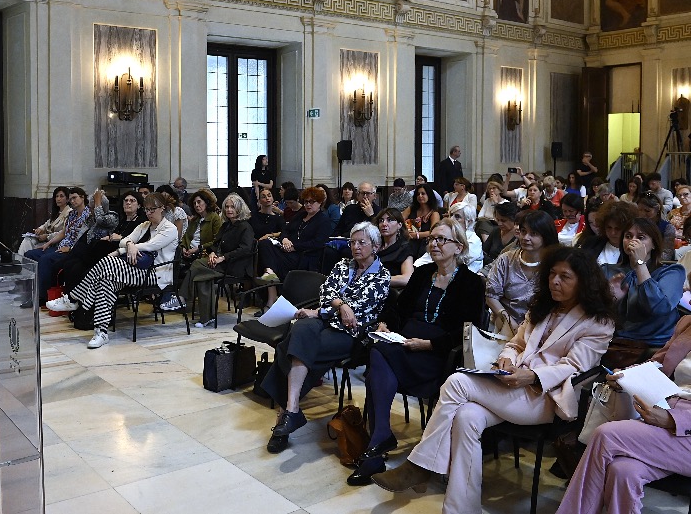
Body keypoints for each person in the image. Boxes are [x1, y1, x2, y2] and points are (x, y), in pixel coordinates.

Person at [372, 247, 616, 511]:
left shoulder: (597, 322)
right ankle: (460, 509)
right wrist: (507, 359)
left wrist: (532, 375)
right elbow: (515, 343)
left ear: (584, 281)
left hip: (544, 398)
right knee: (467, 417)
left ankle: (419, 466)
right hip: (510, 386)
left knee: (457, 382)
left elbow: (575, 367)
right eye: (552, 274)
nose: (555, 281)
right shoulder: (543, 306)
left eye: (565, 277)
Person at [348, 219, 485, 485]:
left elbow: (468, 331)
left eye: (441, 239)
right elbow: (399, 309)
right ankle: (379, 440)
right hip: (403, 342)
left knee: (378, 356)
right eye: (431, 238)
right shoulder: (423, 273)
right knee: (379, 349)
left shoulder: (471, 282)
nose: (434, 244)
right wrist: (386, 323)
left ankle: (377, 447)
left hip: (437, 353)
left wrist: (430, 345)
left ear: (458, 247)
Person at [263, 222, 391, 453]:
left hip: (351, 335)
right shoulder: (343, 264)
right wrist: (340, 306)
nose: (356, 247)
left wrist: (325, 310)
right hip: (324, 322)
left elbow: (359, 311)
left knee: (291, 346)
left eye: (362, 242)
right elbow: (326, 292)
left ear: (376, 246)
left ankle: (284, 418)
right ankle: (291, 409)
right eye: (352, 242)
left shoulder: (381, 276)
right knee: (301, 330)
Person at [556, 315, 691, 514]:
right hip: (668, 414)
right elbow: (658, 364)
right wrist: (626, 375)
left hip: (682, 425)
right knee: (623, 471)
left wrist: (673, 420)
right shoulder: (687, 322)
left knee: (607, 435)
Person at [47, 192, 178, 349]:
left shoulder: (170, 229)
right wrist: (128, 245)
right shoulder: (143, 226)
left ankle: (73, 298)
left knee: (108, 261)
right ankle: (100, 332)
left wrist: (128, 246)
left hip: (156, 274)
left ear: (162, 209)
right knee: (105, 282)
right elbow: (123, 240)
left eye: (152, 209)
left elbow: (151, 246)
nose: (149, 213)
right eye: (147, 209)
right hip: (137, 270)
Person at [603, 217, 685, 368]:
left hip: (654, 348)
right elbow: (591, 314)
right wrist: (610, 299)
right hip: (613, 345)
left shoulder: (671, 272)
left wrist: (640, 264)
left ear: (654, 244)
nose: (633, 241)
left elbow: (659, 308)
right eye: (628, 236)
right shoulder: (608, 270)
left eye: (641, 237)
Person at [177, 193, 255, 325]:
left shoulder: (245, 227)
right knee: (202, 278)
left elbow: (245, 249)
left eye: (233, 207)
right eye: (227, 207)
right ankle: (207, 318)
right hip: (221, 263)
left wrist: (223, 257)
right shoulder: (226, 225)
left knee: (197, 263)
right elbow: (215, 244)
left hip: (236, 266)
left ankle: (181, 297)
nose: (229, 210)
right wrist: (212, 254)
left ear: (240, 209)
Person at [257, 186, 333, 311]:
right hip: (287, 250)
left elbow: (318, 243)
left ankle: (272, 298)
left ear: (320, 203)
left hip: (303, 256)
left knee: (272, 260)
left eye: (312, 202)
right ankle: (270, 273)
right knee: (264, 243)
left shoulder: (323, 220)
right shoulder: (300, 215)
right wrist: (285, 239)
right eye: (306, 202)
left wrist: (294, 247)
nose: (308, 205)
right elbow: (285, 230)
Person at [486, 210, 558, 334]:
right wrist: (510, 322)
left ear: (546, 236)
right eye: (523, 231)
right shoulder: (506, 259)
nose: (525, 238)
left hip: (541, 328)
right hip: (505, 325)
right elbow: (491, 296)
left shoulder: (555, 264)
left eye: (533, 233)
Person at [61, 190, 144, 293]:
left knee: (82, 263)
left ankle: (76, 299)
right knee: (72, 265)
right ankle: (70, 298)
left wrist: (120, 237)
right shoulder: (122, 221)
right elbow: (111, 235)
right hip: (104, 252)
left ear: (139, 205)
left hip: (119, 256)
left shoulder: (139, 221)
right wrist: (110, 237)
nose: (128, 203)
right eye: (126, 200)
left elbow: (136, 241)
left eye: (132, 201)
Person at [24, 187, 90, 303]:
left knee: (45, 260)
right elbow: (63, 232)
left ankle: (43, 297)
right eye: (71, 199)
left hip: (73, 250)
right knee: (30, 254)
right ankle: (28, 291)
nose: (72, 201)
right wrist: (48, 244)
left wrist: (70, 248)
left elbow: (87, 238)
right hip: (61, 246)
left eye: (74, 198)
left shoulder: (89, 215)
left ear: (82, 197)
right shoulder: (72, 214)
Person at [17, 186, 70, 254]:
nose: (58, 199)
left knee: (31, 247)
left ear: (67, 199)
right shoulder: (56, 213)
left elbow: (63, 232)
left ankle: (25, 260)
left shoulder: (69, 213)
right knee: (27, 239)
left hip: (55, 242)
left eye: (61, 196)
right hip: (45, 238)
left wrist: (47, 237)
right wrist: (40, 229)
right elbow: (46, 224)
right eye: (57, 196)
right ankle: (20, 260)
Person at [179, 189, 222, 263]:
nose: (196, 205)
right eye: (194, 203)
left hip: (203, 252)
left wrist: (197, 249)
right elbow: (186, 237)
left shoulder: (214, 218)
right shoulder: (195, 219)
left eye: (199, 202)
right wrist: (183, 248)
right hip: (189, 250)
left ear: (206, 202)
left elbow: (216, 240)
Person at [374, 208, 413, 287]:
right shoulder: (374, 245)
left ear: (399, 225)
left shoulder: (404, 248)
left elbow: (407, 278)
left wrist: (376, 280)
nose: (384, 224)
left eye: (390, 220)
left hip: (387, 290)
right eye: (381, 220)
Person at [402, 184, 441, 259]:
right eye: (418, 194)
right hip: (408, 240)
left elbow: (434, 232)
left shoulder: (434, 213)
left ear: (429, 195)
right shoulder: (411, 209)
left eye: (423, 194)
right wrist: (406, 231)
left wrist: (416, 235)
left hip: (424, 244)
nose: (420, 196)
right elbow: (399, 221)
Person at [481, 201, 519, 271]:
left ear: (514, 219)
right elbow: (483, 252)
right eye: (498, 220)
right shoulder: (496, 231)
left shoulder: (518, 237)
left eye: (503, 220)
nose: (499, 223)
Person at [636, 194, 676, 261]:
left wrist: (645, 261)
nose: (642, 214)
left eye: (647, 211)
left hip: (658, 263)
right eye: (640, 210)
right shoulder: (635, 226)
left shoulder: (667, 228)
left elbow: (667, 254)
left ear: (657, 209)